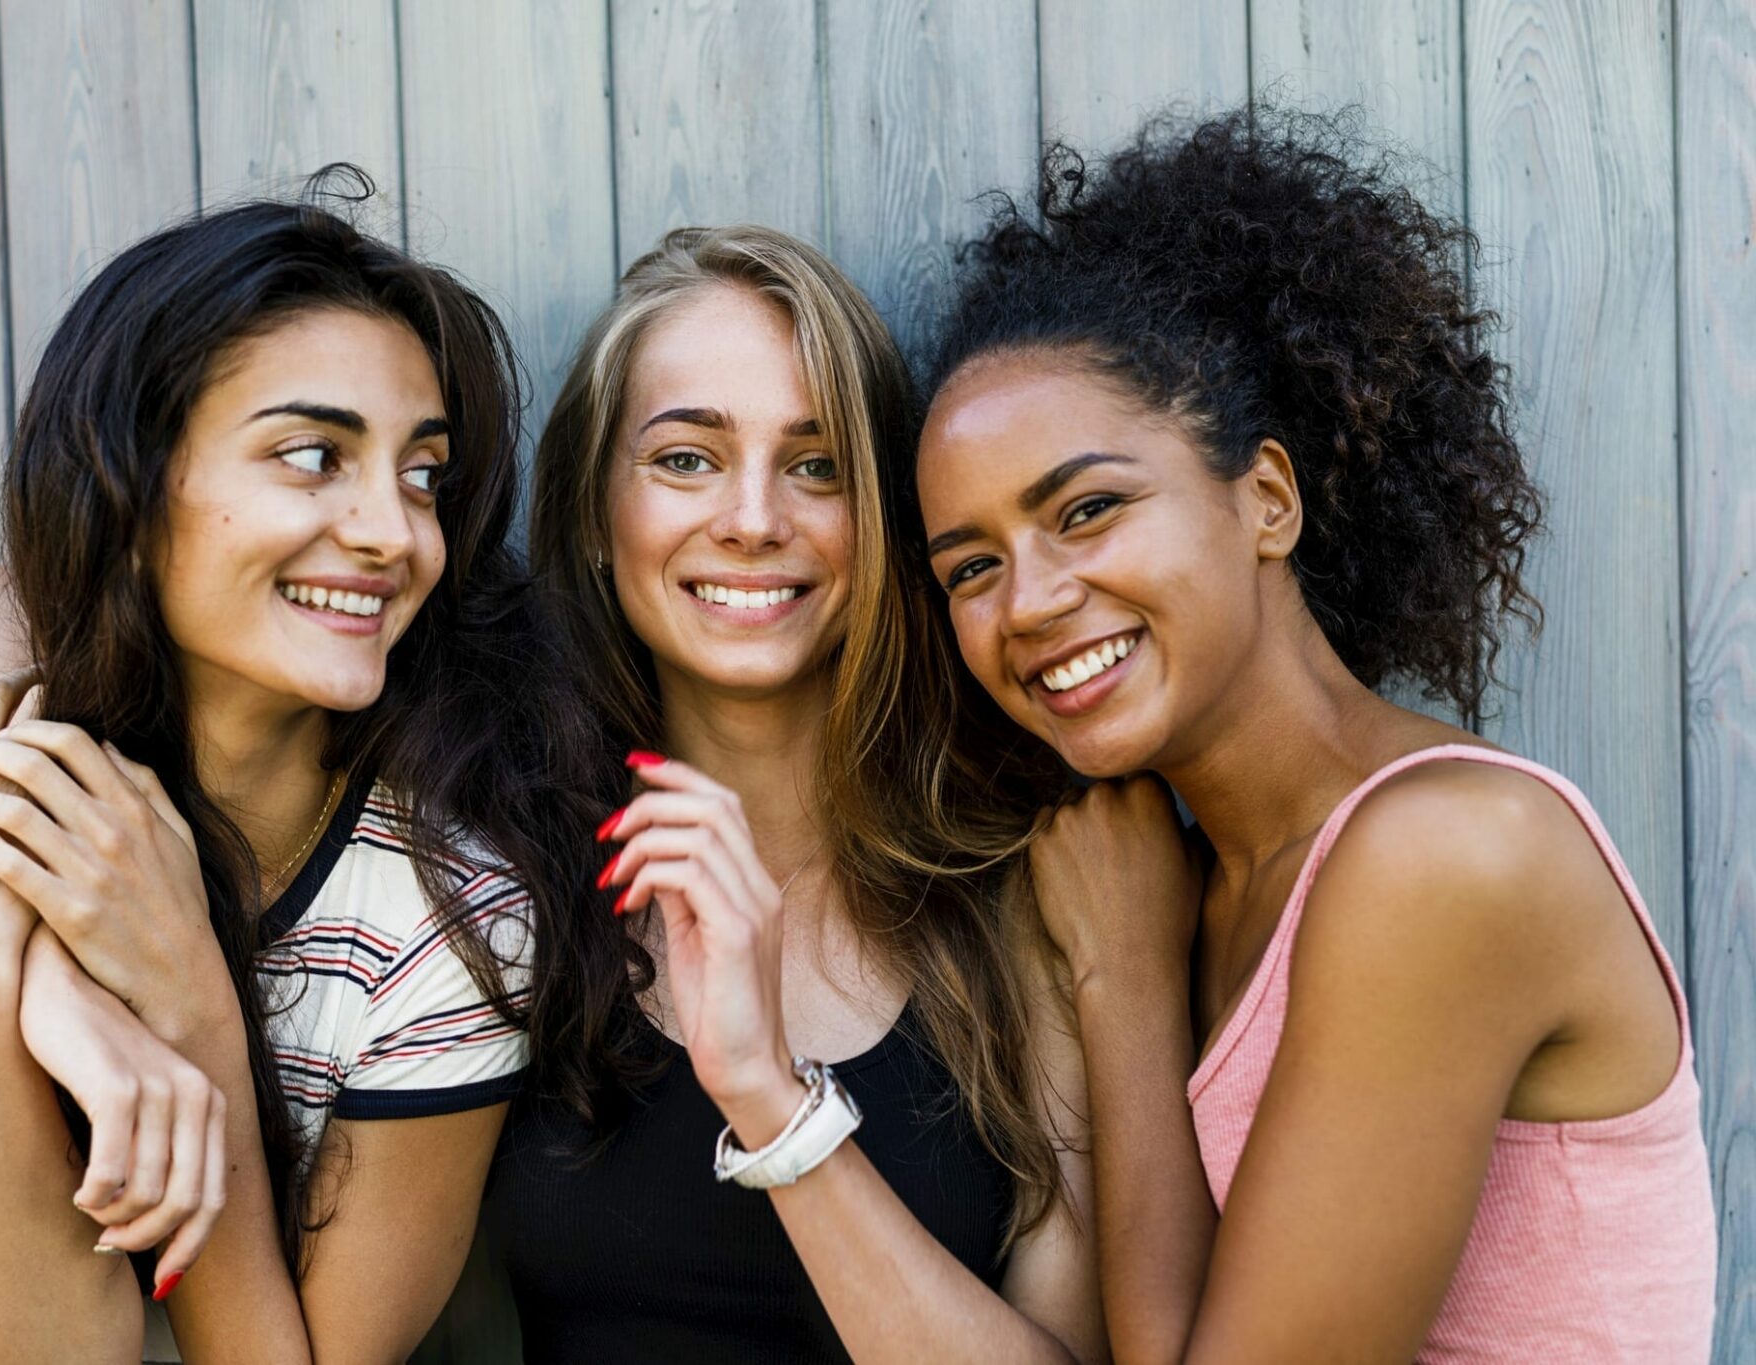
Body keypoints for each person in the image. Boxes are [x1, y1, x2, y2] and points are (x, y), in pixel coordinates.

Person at [907, 108, 1718, 1361]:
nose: (1028, 602)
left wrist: (1122, 984)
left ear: (1266, 500)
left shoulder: (1443, 857)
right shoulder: (1211, 874)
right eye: (969, 568)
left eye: (1087, 508)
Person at [0, 175, 589, 1363]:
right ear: (131, 479)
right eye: (313, 456)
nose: (391, 531)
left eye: (423, 475)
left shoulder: (441, 923)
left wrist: (195, 1013)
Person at [485, 224, 1106, 1364]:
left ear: (881, 519)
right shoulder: (500, 874)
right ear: (590, 509)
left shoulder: (1015, 884)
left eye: (816, 465)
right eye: (685, 458)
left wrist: (770, 1099)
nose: (756, 517)